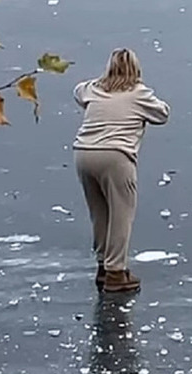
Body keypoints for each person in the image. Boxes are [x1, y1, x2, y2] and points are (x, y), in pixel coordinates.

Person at [73, 48, 170, 294]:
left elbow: (78, 92)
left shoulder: (94, 88)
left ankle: (103, 267)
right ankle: (116, 273)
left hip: (83, 153)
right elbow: (162, 114)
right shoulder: (138, 93)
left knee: (99, 213)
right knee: (121, 215)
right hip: (116, 157)